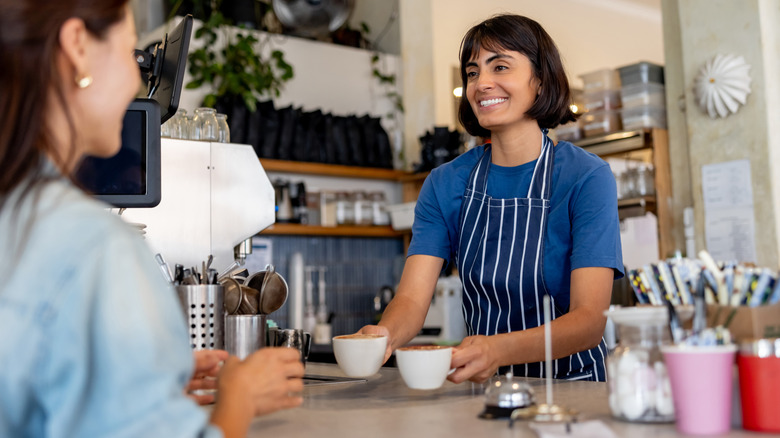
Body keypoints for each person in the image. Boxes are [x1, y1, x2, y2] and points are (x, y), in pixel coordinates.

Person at [0, 1, 303, 437]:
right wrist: (240, 397)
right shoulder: (93, 248)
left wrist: (142, 387)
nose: (137, 83)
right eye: (132, 55)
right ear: (77, 48)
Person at [360, 14, 623, 383]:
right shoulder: (445, 183)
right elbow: (411, 301)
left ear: (540, 80)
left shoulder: (585, 177)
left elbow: (589, 321)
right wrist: (384, 333)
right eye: (472, 72)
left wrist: (497, 350)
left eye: (500, 66)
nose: (482, 83)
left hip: (572, 392)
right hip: (485, 392)